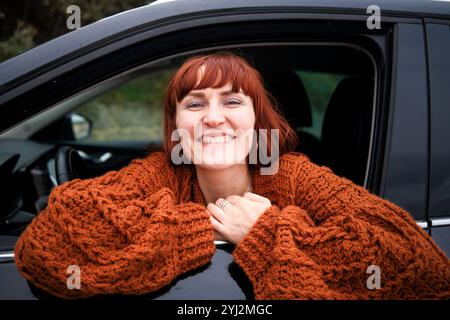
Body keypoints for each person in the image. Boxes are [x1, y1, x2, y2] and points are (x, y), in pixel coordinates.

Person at [15, 52, 450, 300]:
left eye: (232, 102)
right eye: (196, 104)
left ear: (258, 122)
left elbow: (422, 267)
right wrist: (202, 226)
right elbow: (48, 240)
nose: (214, 119)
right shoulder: (162, 172)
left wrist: (266, 231)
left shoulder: (294, 176)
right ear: (177, 128)